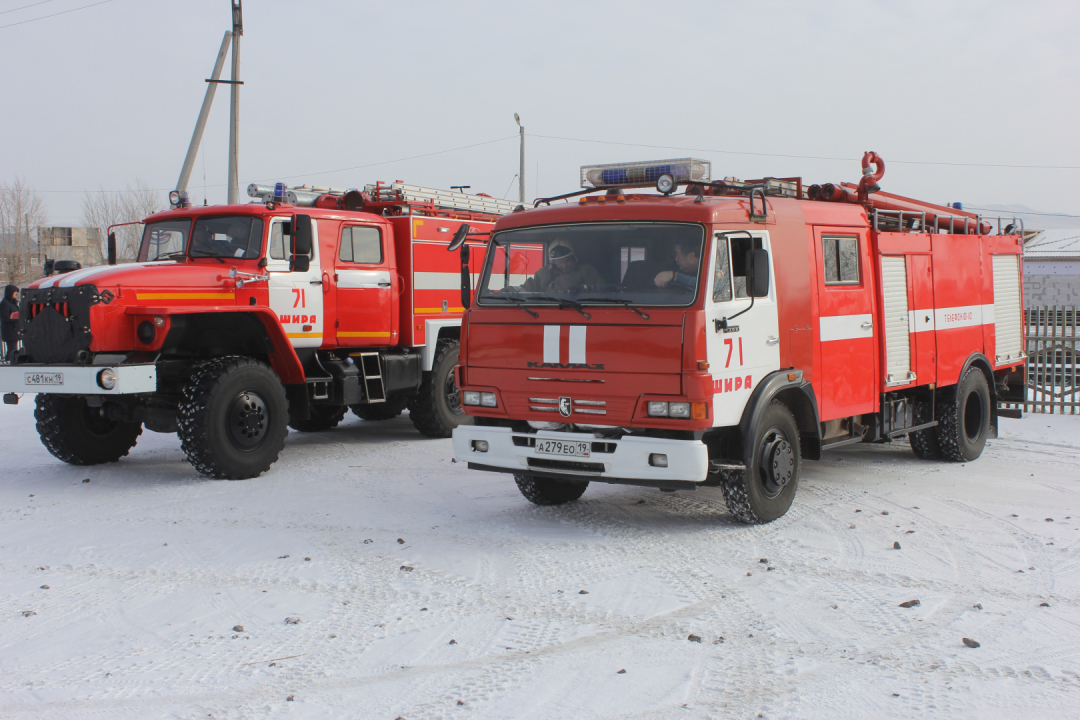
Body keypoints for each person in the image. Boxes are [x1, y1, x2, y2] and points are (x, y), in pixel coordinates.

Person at [518, 242, 603, 293]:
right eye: (559, 263)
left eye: (567, 261)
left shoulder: (587, 271)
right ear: (553, 263)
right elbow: (527, 289)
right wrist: (509, 293)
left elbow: (602, 291)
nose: (564, 265)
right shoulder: (542, 275)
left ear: (573, 258)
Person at [1, 285, 20, 362]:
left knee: (14, 348)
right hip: (9, 331)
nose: (16, 295)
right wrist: (16, 318)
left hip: (14, 330)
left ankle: (12, 360)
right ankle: (9, 362)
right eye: (15, 293)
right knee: (11, 349)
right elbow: (5, 317)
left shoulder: (12, 303)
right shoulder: (5, 303)